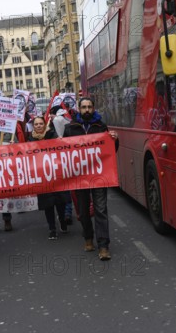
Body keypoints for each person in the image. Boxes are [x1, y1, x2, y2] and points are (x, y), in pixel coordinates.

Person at [63, 97, 118, 260]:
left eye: (89, 107)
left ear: (93, 108)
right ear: (79, 109)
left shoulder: (101, 126)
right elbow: (64, 153)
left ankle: (103, 246)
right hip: (80, 177)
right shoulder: (70, 128)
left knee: (101, 209)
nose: (87, 110)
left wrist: (114, 139)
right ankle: (88, 237)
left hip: (99, 176)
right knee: (83, 210)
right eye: (84, 107)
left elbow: (111, 150)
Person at [29, 116, 69, 239]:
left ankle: (62, 219)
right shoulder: (30, 140)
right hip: (42, 177)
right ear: (33, 126)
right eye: (36, 124)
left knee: (60, 202)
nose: (39, 126)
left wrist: (61, 141)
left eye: (41, 123)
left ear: (45, 124)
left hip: (56, 175)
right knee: (48, 204)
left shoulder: (53, 135)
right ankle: (52, 228)